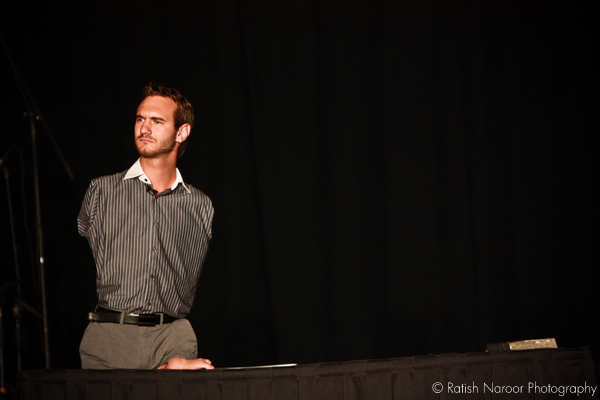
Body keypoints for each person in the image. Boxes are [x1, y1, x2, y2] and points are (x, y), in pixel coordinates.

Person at [77, 83, 215, 370]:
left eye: (157, 121)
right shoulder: (102, 191)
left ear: (182, 132)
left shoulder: (201, 206)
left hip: (173, 339)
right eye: (140, 119)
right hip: (110, 337)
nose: (144, 128)